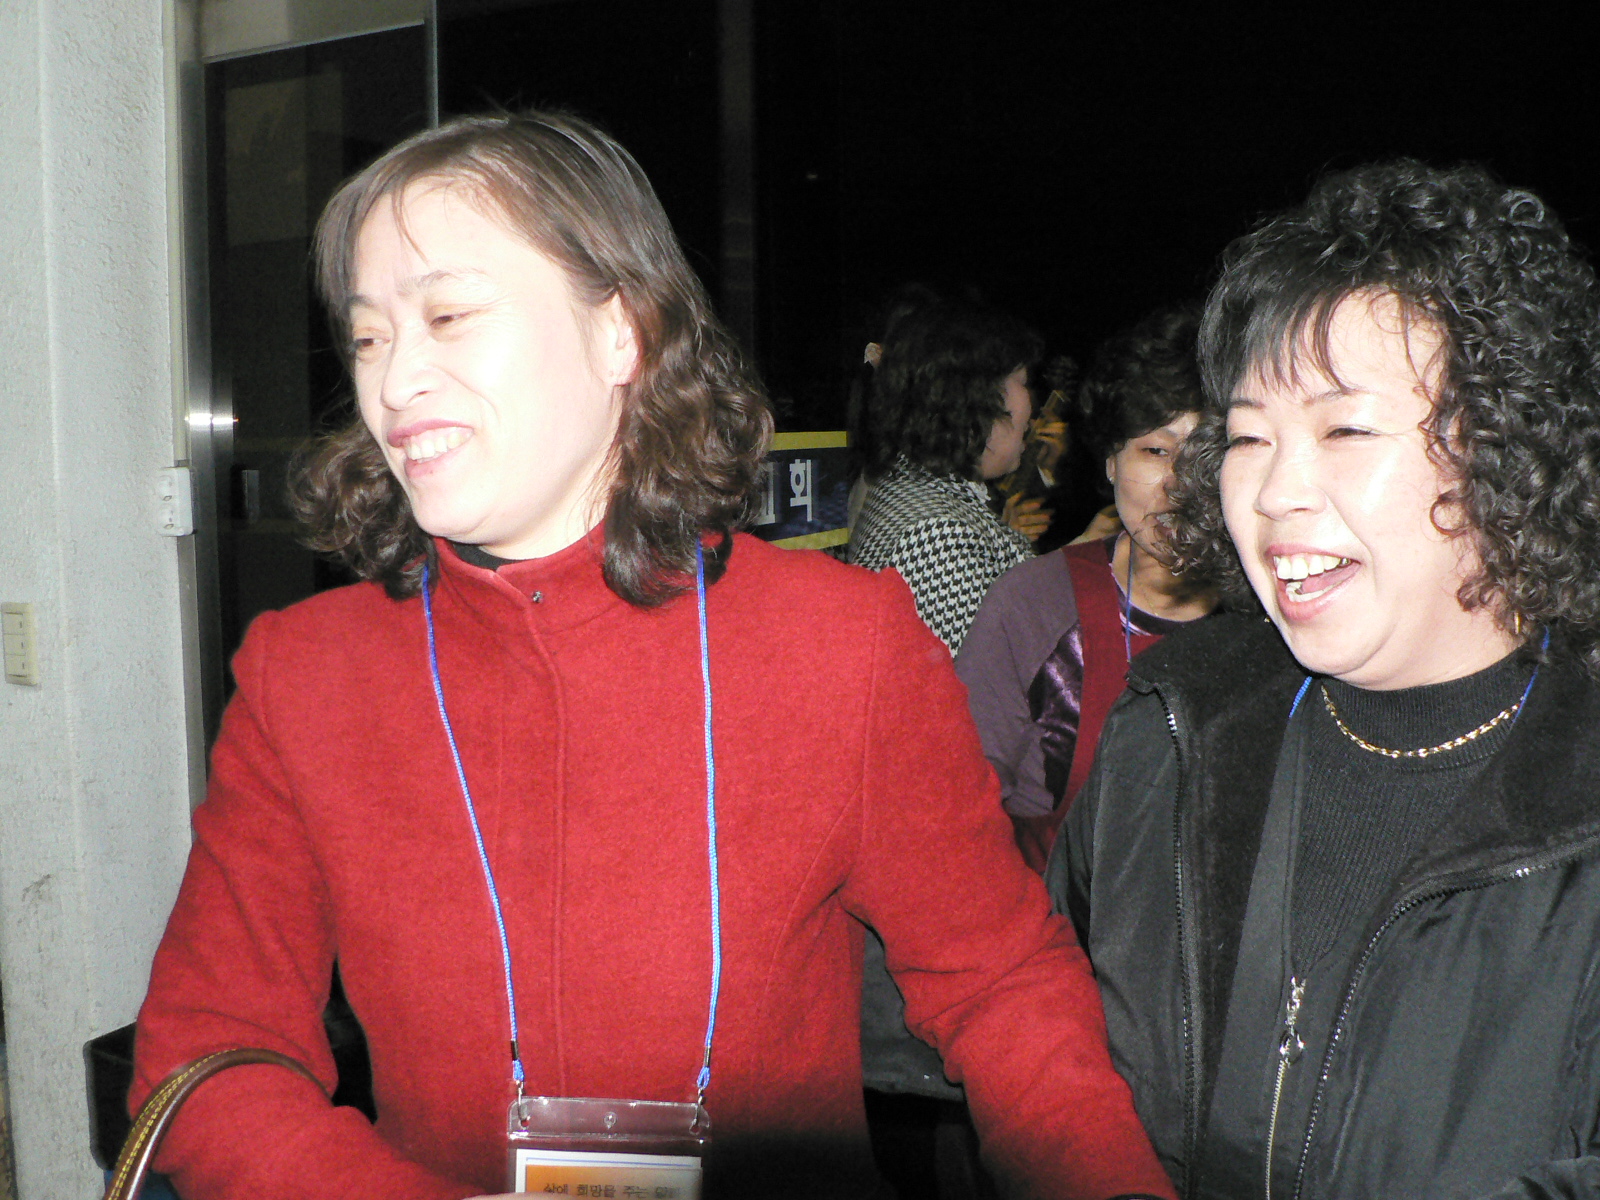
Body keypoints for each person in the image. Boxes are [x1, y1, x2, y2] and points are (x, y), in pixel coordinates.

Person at [129, 111, 1173, 1200]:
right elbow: (208, 1052)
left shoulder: (839, 644)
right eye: (368, 338)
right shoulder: (307, 675)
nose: (393, 384)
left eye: (447, 316)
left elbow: (999, 982)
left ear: (619, 333)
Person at [1048, 159, 1600, 1198]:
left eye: (1344, 429)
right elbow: (1035, 1027)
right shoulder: (1173, 729)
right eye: (1248, 436)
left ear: (1509, 447)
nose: (1273, 491)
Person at [957, 306, 1216, 870]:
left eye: (1208, 454)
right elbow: (956, 815)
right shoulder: (1033, 605)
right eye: (1156, 450)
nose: (1181, 485)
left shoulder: (1278, 611)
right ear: (1110, 462)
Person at [848, 292, 1044, 652]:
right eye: (1022, 380)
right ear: (977, 396)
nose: (1032, 405)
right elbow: (989, 676)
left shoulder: (913, 484)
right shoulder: (937, 533)